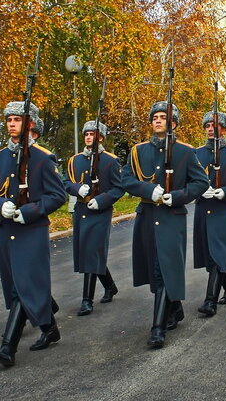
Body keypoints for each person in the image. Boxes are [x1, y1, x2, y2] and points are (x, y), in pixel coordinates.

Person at [0, 101, 67, 368]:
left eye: (17, 119)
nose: (11, 124)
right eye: (9, 119)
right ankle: (50, 328)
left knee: (23, 287)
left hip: (31, 230)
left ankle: (8, 348)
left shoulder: (43, 157)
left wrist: (28, 212)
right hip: (6, 230)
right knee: (20, 284)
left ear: (29, 124)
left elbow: (57, 195)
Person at [121, 102, 209, 348]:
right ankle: (175, 308)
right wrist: (148, 190)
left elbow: (201, 182)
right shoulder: (138, 151)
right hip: (147, 216)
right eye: (155, 117)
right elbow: (125, 179)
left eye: (164, 117)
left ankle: (157, 329)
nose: (158, 120)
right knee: (155, 268)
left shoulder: (185, 152)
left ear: (174, 123)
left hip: (171, 218)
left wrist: (177, 196)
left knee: (163, 269)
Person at [63, 119, 124, 315]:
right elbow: (66, 182)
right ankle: (110, 286)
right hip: (81, 211)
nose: (89, 137)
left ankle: (86, 300)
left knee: (91, 252)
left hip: (100, 212)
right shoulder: (75, 160)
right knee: (90, 253)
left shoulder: (111, 160)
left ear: (101, 137)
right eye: (87, 134)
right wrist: (76, 189)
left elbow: (118, 188)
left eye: (93, 134)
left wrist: (102, 200)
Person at [193, 111, 226, 316]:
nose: (210, 129)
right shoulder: (196, 154)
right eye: (207, 125)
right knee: (210, 254)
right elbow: (190, 180)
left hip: (224, 210)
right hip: (203, 208)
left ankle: (210, 302)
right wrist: (199, 190)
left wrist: (225, 191)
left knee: (219, 253)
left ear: (223, 129)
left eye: (214, 125)